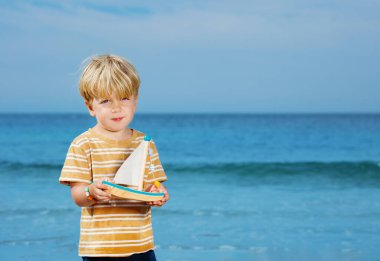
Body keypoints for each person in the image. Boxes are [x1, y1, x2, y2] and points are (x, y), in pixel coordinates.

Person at [59, 54, 169, 260]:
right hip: (99, 250)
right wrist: (91, 191)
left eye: (125, 98)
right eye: (106, 100)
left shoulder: (145, 143)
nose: (117, 107)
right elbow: (77, 195)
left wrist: (157, 193)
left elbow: (150, 187)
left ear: (135, 101)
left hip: (141, 246)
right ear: (91, 107)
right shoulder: (83, 144)